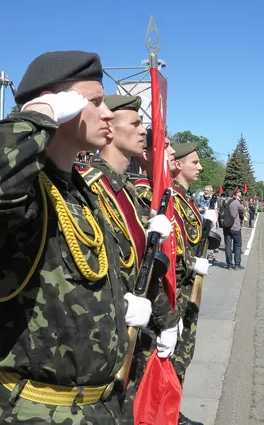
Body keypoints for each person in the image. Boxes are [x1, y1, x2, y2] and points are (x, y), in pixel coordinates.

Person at [0, 51, 171, 425]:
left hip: (102, 404)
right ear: (60, 104)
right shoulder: (26, 193)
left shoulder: (81, 191)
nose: (108, 112)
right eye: (95, 101)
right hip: (39, 410)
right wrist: (39, 114)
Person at [86, 95, 179, 424]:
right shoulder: (89, 189)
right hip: (103, 344)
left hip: (134, 337)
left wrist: (167, 321)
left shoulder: (126, 192)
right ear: (109, 128)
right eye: (136, 124)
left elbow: (145, 269)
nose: (144, 132)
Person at [171, 142, 213, 425]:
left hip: (190, 288)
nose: (199, 167)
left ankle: (173, 410)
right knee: (174, 352)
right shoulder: (171, 197)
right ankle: (168, 411)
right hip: (178, 289)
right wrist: (190, 263)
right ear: (178, 165)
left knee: (184, 351)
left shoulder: (187, 199)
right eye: (194, 162)